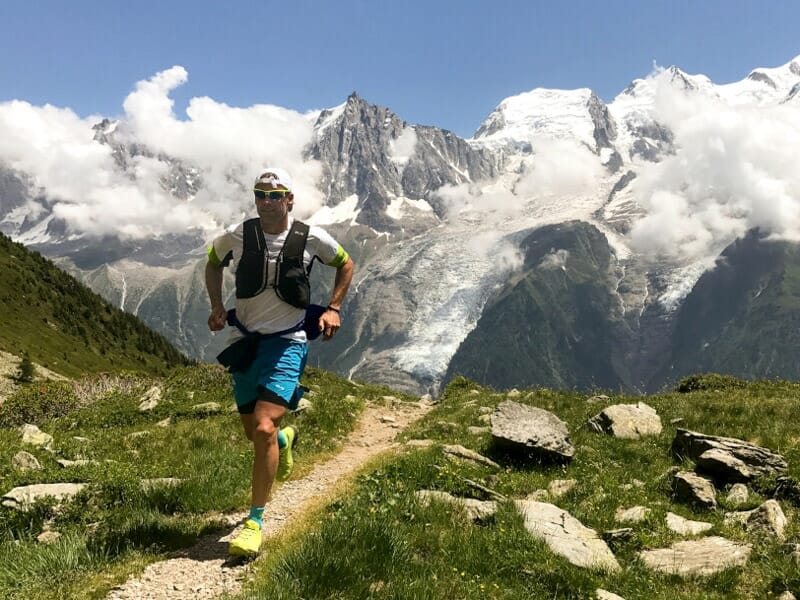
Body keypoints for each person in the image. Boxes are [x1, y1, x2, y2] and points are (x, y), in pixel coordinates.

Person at [205, 167, 354, 556]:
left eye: (276, 195)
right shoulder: (238, 235)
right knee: (253, 433)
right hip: (245, 340)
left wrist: (334, 307)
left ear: (290, 199)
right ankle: (285, 442)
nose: (267, 201)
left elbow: (345, 263)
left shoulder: (311, 238)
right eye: (261, 194)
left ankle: (254, 522)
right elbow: (212, 261)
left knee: (265, 426)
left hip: (288, 341)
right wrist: (217, 306)